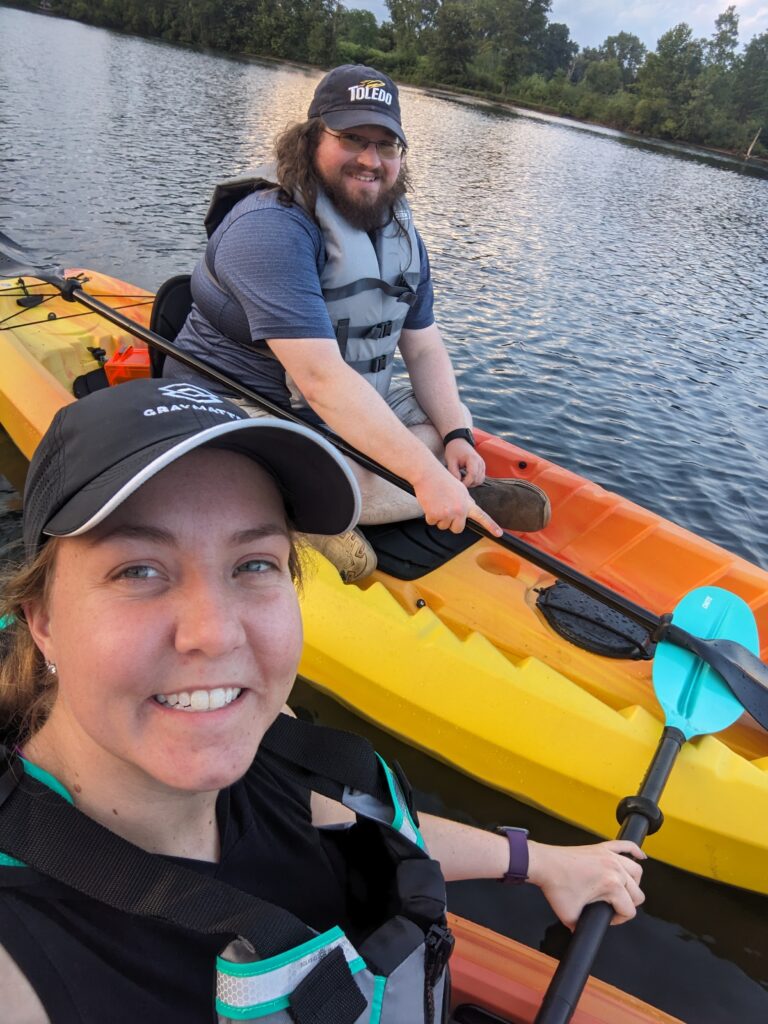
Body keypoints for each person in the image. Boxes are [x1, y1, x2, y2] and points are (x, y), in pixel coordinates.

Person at [0, 380, 643, 1023]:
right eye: (138, 570)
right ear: (42, 621)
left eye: (254, 564)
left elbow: (366, 831)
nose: (216, 634)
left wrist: (540, 862)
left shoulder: (269, 743)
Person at [163, 64, 551, 582]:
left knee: (446, 417)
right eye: (351, 139)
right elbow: (320, 380)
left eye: (386, 145)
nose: (370, 160)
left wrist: (458, 435)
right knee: (331, 466)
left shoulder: (399, 235)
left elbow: (424, 348)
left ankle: (356, 497)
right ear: (310, 140)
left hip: (334, 406)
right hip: (237, 406)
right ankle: (348, 504)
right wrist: (423, 472)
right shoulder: (270, 228)